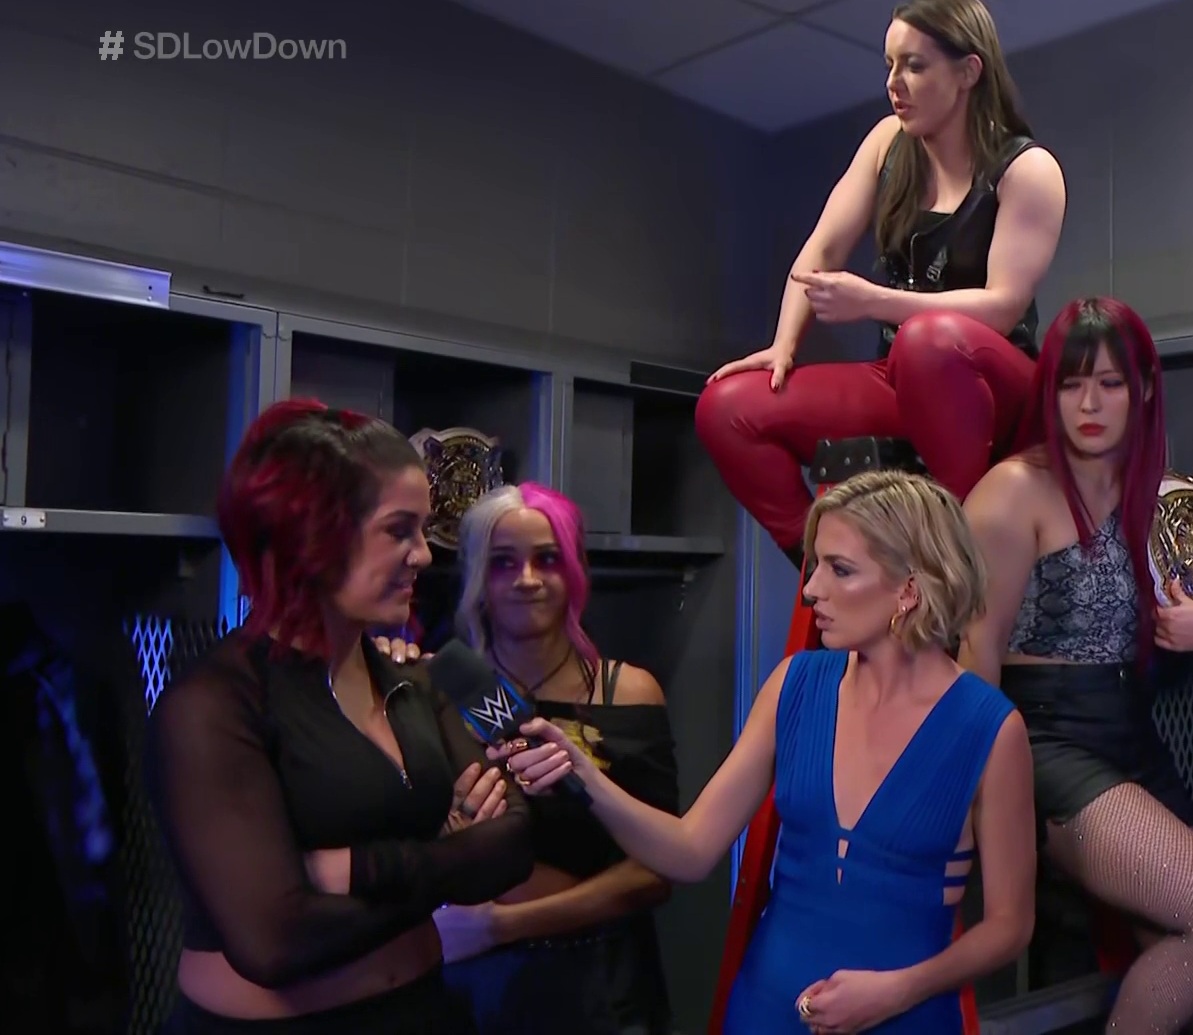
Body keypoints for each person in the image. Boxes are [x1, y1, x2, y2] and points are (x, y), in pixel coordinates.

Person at [500, 469, 1035, 1034]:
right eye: (815, 564)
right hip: (766, 1010)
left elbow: (1010, 926)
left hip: (907, 1017)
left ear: (909, 589)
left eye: (840, 569)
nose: (811, 589)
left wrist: (899, 990)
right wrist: (580, 774)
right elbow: (690, 850)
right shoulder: (795, 686)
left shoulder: (991, 729)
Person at [147, 400, 534, 1034]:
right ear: (312, 536)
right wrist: (450, 852)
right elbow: (275, 941)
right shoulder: (213, 704)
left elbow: (513, 845)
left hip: (426, 1011)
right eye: (399, 531)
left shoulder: (415, 678)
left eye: (422, 530)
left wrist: (355, 868)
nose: (423, 555)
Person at [959, 297, 1193, 1034]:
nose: (1089, 405)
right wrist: (979, 803)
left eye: (1109, 383)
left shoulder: (1155, 489)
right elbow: (975, 654)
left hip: (1131, 731)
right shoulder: (1012, 491)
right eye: (1071, 385)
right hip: (1044, 739)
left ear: (1144, 389)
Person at [696, 0, 1068, 569]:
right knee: (726, 407)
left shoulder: (1028, 169)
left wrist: (874, 301)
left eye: (914, 66)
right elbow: (819, 254)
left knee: (928, 341)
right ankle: (825, 562)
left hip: (996, 389)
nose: (894, 83)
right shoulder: (886, 143)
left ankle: (961, 550)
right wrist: (783, 346)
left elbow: (1002, 307)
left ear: (968, 72)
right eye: (890, 65)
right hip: (900, 376)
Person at [373, 483, 681, 1035]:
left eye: (548, 559)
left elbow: (658, 871)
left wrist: (501, 925)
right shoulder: (436, 683)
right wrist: (372, 668)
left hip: (601, 988)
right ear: (476, 576)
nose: (528, 579)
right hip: (465, 990)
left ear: (576, 569)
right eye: (503, 563)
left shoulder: (628, 692)